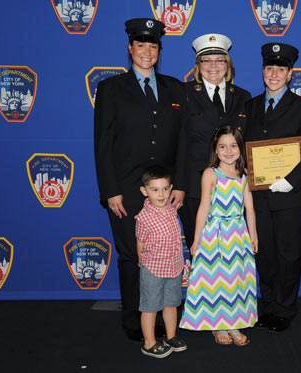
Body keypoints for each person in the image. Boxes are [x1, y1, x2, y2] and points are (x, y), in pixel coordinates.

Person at [93, 18, 186, 342]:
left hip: (166, 192)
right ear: (130, 47)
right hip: (127, 190)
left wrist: (182, 186)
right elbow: (102, 144)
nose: (147, 51)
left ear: (159, 51)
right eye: (141, 44)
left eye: (153, 46)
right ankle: (134, 319)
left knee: (167, 254)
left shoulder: (177, 89)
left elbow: (184, 142)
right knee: (134, 256)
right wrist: (111, 191)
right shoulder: (110, 89)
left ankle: (164, 315)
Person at [243, 43, 301, 333]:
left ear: (290, 74)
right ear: (263, 71)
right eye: (269, 68)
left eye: (281, 69)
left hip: (292, 197)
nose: (274, 74)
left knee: (289, 254)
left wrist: (290, 181)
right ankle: (269, 304)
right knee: (265, 254)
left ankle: (285, 308)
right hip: (259, 197)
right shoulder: (249, 107)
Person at [179, 126, 258, 346]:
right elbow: (203, 207)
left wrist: (254, 235)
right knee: (217, 280)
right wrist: (196, 240)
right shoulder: (210, 173)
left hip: (238, 234)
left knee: (236, 280)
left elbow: (249, 208)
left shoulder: (244, 174)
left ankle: (234, 322)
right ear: (215, 149)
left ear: (241, 149)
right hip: (214, 235)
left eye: (233, 146)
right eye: (223, 146)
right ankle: (218, 325)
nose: (229, 151)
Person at [179, 33, 251, 251]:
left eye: (219, 59)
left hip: (233, 189)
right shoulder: (183, 94)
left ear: (227, 64)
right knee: (199, 250)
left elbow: (248, 141)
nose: (213, 65)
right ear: (197, 65)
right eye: (206, 60)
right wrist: (178, 185)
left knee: (233, 251)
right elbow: (177, 143)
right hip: (194, 187)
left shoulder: (243, 96)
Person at [135, 165, 187, 358]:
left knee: (171, 304)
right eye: (155, 190)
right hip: (153, 269)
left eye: (165, 188)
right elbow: (140, 242)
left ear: (171, 188)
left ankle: (170, 336)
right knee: (149, 307)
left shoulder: (172, 210)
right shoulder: (144, 217)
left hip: (173, 267)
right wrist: (142, 260)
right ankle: (149, 343)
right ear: (144, 191)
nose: (161, 194)